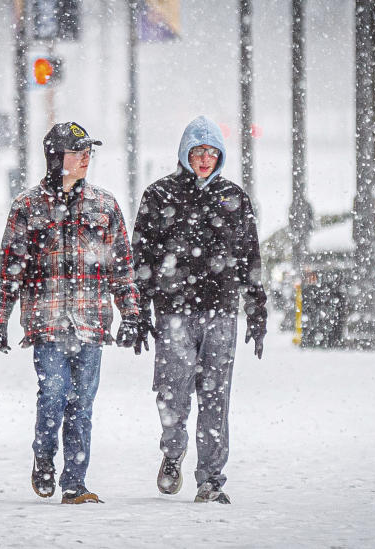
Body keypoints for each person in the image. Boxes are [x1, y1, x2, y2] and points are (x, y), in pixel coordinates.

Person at [0, 121, 140, 504]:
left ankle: (75, 482)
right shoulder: (28, 206)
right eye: (78, 152)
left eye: (90, 152)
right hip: (47, 319)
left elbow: (121, 266)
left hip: (91, 321)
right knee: (54, 393)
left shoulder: (105, 206)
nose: (87, 158)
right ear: (56, 158)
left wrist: (132, 314)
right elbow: (10, 266)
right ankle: (44, 455)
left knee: (82, 404)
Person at [131, 115, 267, 504]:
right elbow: (141, 256)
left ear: (220, 155)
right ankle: (173, 452)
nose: (204, 159)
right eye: (197, 151)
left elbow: (250, 259)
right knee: (173, 393)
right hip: (173, 312)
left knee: (216, 398)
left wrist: (256, 311)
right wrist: (139, 311)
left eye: (211, 152)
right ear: (184, 153)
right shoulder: (159, 196)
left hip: (221, 313)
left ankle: (210, 479)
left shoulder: (234, 198)